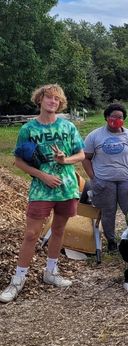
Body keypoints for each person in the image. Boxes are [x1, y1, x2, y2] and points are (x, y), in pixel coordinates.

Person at [1, 84, 85, 303]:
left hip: (67, 187)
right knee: (31, 234)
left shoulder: (68, 127)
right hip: (41, 189)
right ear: (40, 100)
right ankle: (17, 280)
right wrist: (42, 175)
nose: (53, 102)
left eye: (57, 99)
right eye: (49, 98)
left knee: (58, 230)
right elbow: (18, 161)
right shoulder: (28, 130)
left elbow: (81, 154)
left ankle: (51, 272)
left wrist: (65, 160)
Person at [82, 103, 128, 252]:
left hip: (125, 180)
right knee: (108, 212)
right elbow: (86, 158)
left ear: (124, 120)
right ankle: (111, 241)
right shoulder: (95, 135)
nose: (116, 119)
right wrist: (93, 178)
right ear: (107, 117)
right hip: (103, 181)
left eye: (120, 117)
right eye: (113, 116)